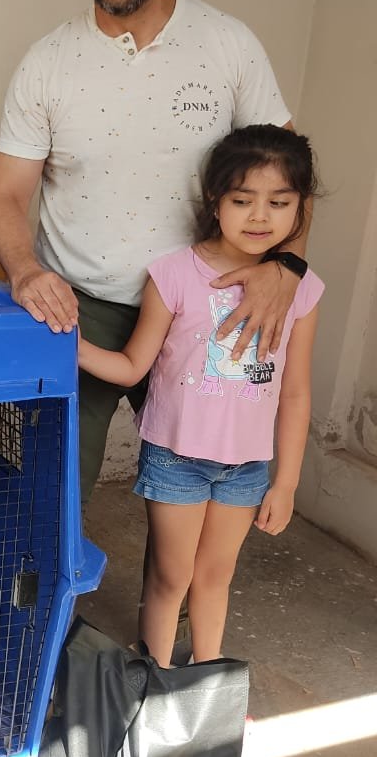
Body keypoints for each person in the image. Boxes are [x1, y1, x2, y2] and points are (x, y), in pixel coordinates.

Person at [0, 0, 310, 504]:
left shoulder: (228, 44)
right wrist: (25, 271)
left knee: (202, 481)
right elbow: (6, 195)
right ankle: (51, 608)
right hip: (82, 304)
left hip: (211, 303)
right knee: (50, 487)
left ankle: (181, 603)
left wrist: (288, 269)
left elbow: (290, 172)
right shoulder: (48, 62)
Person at [77, 125, 322, 665]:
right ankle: (156, 682)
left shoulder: (302, 289)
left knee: (215, 579)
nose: (260, 217)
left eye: (279, 203)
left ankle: (207, 688)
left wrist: (286, 482)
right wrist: (66, 341)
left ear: (300, 208)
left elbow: (296, 393)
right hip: (176, 459)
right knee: (171, 577)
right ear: (215, 202)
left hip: (248, 467)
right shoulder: (173, 275)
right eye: (243, 200)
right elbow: (131, 366)